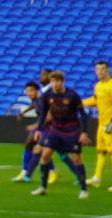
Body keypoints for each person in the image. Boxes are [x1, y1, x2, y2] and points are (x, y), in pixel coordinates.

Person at [31, 70, 91, 199]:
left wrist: (84, 132)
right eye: (53, 81)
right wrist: (38, 130)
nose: (55, 84)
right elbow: (43, 114)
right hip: (55, 129)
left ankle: (83, 189)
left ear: (62, 82)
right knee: (45, 154)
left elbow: (84, 115)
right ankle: (43, 187)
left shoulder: (72, 95)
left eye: (57, 81)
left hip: (71, 130)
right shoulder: (48, 95)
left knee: (76, 158)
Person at [82, 60, 112, 192]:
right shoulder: (98, 86)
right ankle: (97, 178)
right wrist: (80, 103)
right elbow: (96, 100)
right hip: (101, 123)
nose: (100, 72)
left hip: (111, 123)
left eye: (102, 69)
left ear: (107, 70)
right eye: (97, 69)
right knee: (101, 151)